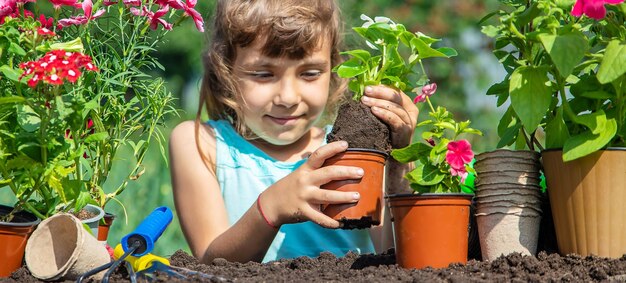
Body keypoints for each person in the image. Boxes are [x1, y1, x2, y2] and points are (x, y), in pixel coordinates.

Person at [169, 0, 418, 264]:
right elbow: (209, 262)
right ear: (226, 71)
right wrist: (270, 209)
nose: (288, 97)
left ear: (334, 69)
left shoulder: (352, 149)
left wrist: (400, 156)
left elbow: (398, 256)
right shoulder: (201, 143)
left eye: (310, 73)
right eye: (264, 74)